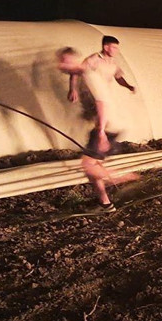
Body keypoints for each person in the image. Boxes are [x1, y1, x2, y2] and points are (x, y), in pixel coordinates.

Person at [57, 36, 140, 212]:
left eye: (63, 62)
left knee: (88, 165)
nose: (60, 66)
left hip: (108, 124)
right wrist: (72, 89)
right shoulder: (91, 64)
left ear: (73, 61)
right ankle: (105, 203)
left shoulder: (90, 72)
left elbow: (103, 103)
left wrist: (101, 132)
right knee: (93, 165)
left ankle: (120, 178)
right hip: (108, 122)